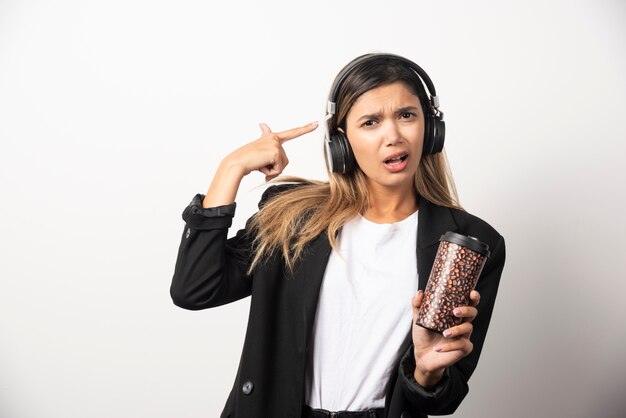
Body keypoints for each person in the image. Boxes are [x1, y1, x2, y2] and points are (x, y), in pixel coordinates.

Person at [170, 53, 506, 418]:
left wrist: (427, 371)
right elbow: (195, 288)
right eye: (370, 122)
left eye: (406, 115)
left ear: (431, 129)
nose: (392, 136)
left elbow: (445, 398)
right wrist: (230, 168)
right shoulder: (293, 216)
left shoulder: (467, 243)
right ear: (342, 142)